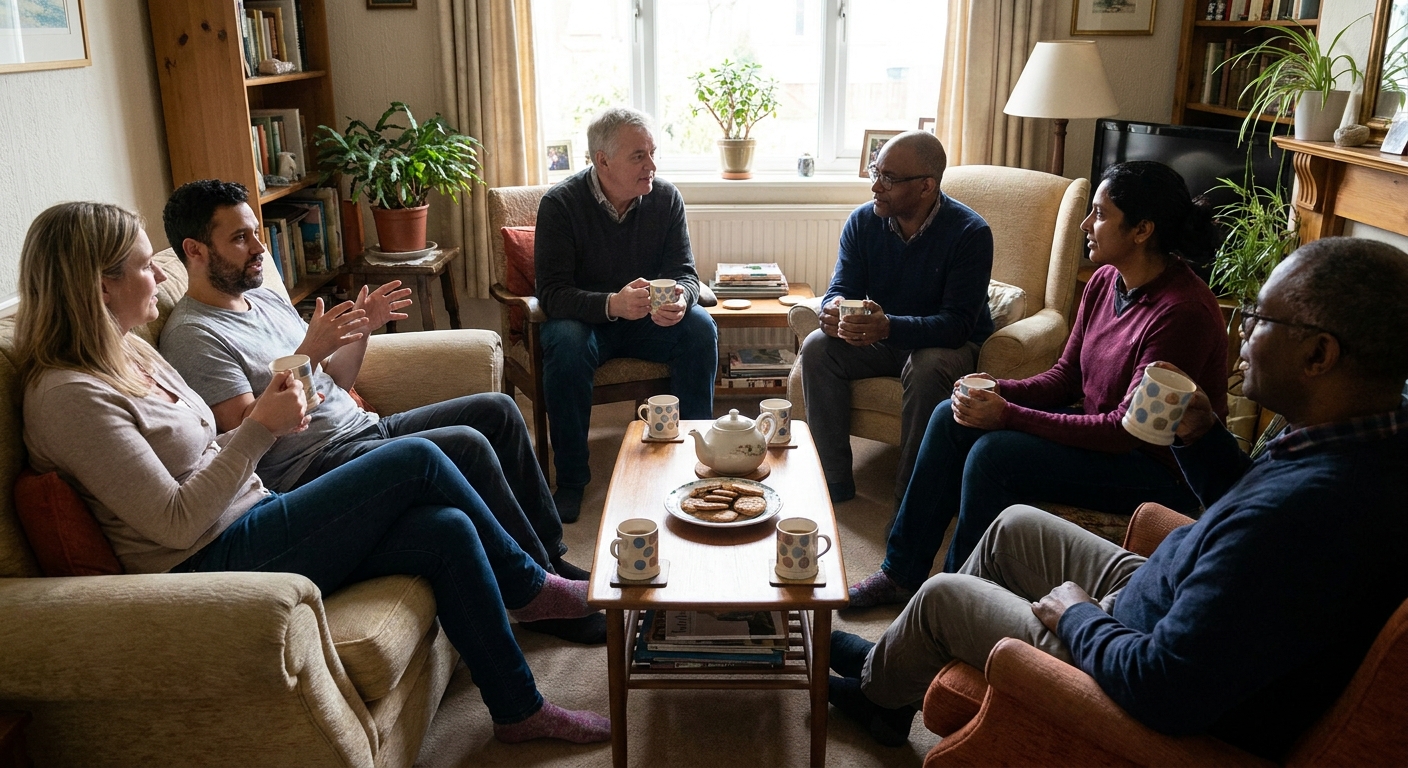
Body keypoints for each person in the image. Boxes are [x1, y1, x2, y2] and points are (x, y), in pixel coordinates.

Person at [15, 202, 612, 744]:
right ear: (101, 287)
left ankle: (518, 709)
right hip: (208, 560)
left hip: (257, 509)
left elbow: (204, 447)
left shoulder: (130, 352)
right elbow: (174, 523)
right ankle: (532, 588)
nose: (160, 277)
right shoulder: (69, 397)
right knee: (420, 459)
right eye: (147, 266)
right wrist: (261, 426)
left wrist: (269, 416)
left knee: (447, 528)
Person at [826, 236, 1408, 759]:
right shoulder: (1355, 442)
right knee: (1013, 525)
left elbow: (1165, 689)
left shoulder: (1302, 516)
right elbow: (1243, 509)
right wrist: (1203, 441)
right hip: (1167, 596)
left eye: (1260, 319)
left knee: (945, 596)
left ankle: (885, 691)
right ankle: (897, 671)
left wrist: (1077, 615)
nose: (1244, 335)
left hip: (1136, 654)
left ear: (1319, 356)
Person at [153, 180, 601, 644]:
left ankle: (549, 559)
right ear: (195, 251)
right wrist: (308, 350)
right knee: (465, 445)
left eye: (256, 232)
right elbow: (252, 434)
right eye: (240, 238)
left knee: (499, 411)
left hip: (366, 428)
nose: (258, 248)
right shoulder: (194, 336)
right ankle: (537, 598)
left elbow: (338, 382)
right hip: (313, 467)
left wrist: (361, 332)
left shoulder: (263, 296)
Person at [847, 161, 1229, 609]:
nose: (1087, 224)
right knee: (950, 416)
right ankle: (900, 573)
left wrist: (1008, 415)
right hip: (1099, 433)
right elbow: (1066, 376)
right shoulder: (1106, 280)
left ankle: (948, 600)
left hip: (1151, 468)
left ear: (1142, 230)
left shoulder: (1181, 312)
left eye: (1101, 215)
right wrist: (997, 390)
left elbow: (1125, 431)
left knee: (995, 456)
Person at [534, 106, 718, 518]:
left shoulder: (666, 199)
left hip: (648, 324)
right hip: (586, 326)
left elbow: (686, 275)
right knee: (564, 341)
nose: (652, 165)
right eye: (639, 156)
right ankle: (572, 481)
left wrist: (682, 301)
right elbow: (551, 293)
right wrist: (610, 304)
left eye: (653, 153)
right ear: (603, 160)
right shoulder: (560, 205)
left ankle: (697, 461)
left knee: (700, 328)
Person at [801, 130, 993, 504]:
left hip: (947, 344)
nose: (875, 186)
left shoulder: (970, 233)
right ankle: (833, 482)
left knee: (927, 367)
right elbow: (843, 285)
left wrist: (888, 325)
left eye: (888, 178)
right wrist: (834, 308)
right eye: (876, 171)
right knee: (818, 348)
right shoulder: (863, 223)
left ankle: (913, 499)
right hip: (888, 337)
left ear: (926, 186)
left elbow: (957, 325)